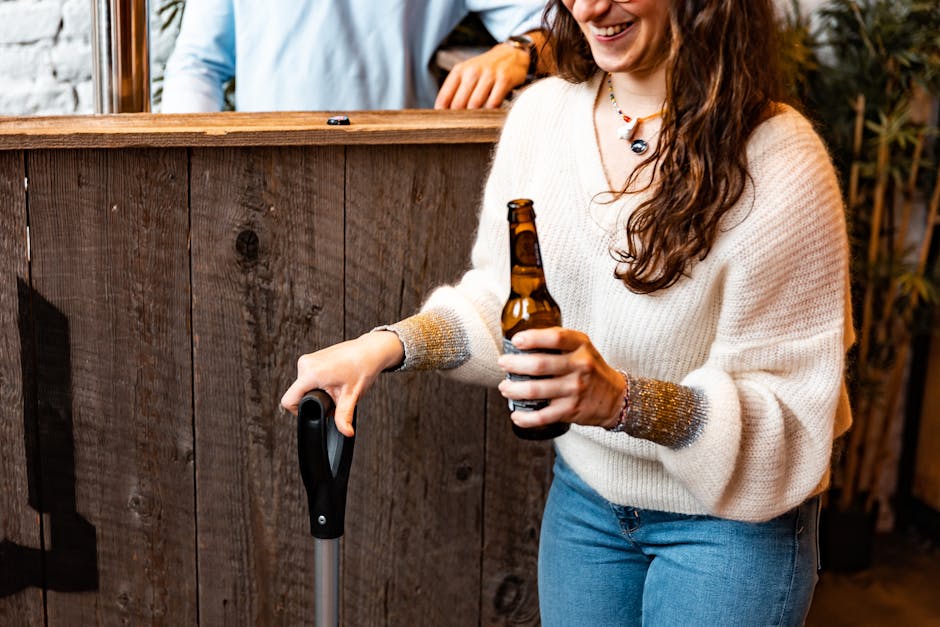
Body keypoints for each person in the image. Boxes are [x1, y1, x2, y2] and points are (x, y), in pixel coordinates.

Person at [282, 0, 853, 624]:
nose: (590, 7)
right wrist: (385, 346)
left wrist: (621, 401)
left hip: (730, 531)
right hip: (586, 507)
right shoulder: (543, 116)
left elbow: (790, 420)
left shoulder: (779, 159)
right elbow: (499, 307)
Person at [161, 0, 549, 112]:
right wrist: (192, 158)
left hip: (396, 169)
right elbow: (198, 63)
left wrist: (521, 51)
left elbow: (556, 24)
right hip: (260, 172)